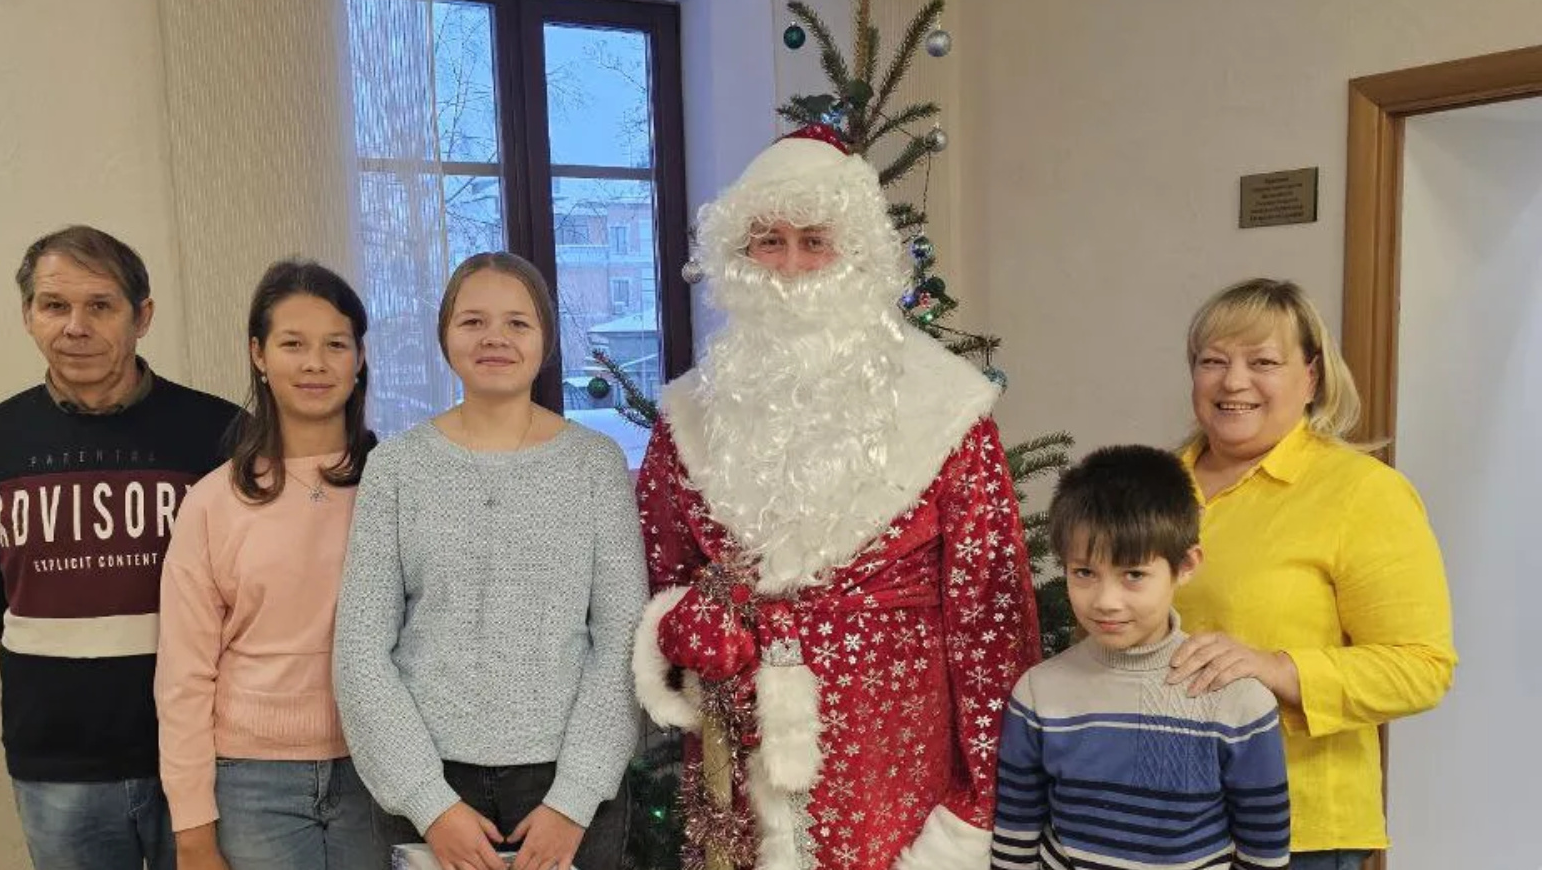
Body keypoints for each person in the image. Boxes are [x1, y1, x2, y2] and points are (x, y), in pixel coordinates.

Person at [632, 124, 1043, 870]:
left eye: (814, 242)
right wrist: (691, 625)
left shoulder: (946, 409)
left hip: (898, 770)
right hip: (737, 759)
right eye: (768, 242)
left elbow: (991, 624)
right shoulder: (688, 418)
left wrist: (980, 805)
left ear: (855, 255)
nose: (791, 267)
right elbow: (664, 576)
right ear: (736, 257)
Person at [333, 252, 646, 870]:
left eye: (517, 323)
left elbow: (622, 641)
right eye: (473, 321)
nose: (494, 338)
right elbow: (360, 648)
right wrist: (429, 803)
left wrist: (574, 799)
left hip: (565, 787)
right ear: (445, 335)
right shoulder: (396, 467)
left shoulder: (594, 465)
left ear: (545, 339)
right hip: (431, 782)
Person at [0, 225, 241, 869]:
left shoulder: (221, 437)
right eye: (54, 305)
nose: (75, 327)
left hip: (205, 754)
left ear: (143, 317)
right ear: (28, 314)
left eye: (101, 305)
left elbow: (249, 594)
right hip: (57, 761)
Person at [1164, 278, 1457, 870]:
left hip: (1298, 830)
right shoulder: (1153, 485)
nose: (1233, 381)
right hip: (1154, 815)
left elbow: (1421, 668)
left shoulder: (1362, 493)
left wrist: (1277, 667)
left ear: (1312, 377)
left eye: (1263, 362)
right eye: (1212, 361)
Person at [154, 261, 386, 870]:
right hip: (252, 781)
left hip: (380, 770)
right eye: (293, 344)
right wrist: (193, 831)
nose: (315, 364)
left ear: (359, 358)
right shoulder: (212, 501)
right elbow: (183, 676)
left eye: (335, 345)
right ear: (259, 354)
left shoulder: (397, 487)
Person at [993, 445, 1290, 870]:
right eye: (1084, 573)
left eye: (1133, 574)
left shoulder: (1238, 700)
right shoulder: (1038, 692)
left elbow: (1264, 851)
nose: (1106, 601)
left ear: (1185, 565)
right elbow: (1015, 838)